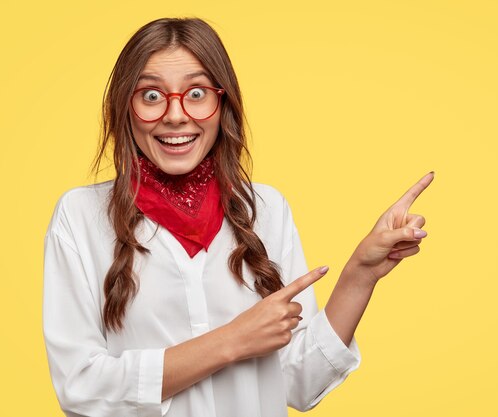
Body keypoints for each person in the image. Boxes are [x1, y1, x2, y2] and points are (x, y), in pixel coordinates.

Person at [42, 17, 434, 417]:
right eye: (151, 95)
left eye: (196, 93)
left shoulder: (265, 209)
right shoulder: (80, 217)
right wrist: (232, 340)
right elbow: (81, 386)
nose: (176, 115)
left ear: (222, 102)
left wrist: (360, 274)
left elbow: (300, 382)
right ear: (125, 106)